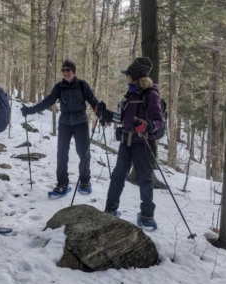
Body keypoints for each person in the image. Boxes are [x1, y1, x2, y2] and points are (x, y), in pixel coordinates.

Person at [95, 57, 163, 227]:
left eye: (128, 74)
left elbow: (159, 121)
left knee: (145, 179)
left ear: (135, 76)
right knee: (118, 175)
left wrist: (146, 125)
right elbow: (121, 118)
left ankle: (147, 216)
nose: (126, 77)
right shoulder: (130, 94)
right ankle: (110, 209)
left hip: (144, 143)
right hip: (126, 141)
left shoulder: (151, 94)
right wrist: (105, 113)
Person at [21, 59, 99, 195]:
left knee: (84, 153)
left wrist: (101, 112)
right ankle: (62, 184)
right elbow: (48, 101)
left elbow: (93, 101)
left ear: (73, 71)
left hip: (80, 122)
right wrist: (30, 110)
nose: (65, 72)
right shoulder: (59, 87)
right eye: (63, 70)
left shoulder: (82, 85)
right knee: (61, 154)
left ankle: (85, 180)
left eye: (68, 70)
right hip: (65, 123)